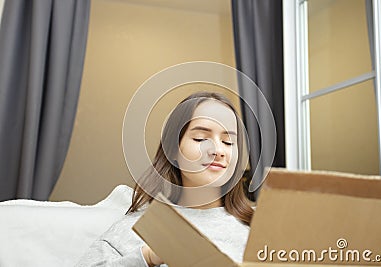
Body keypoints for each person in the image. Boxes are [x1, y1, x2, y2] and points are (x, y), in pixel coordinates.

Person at [76, 91, 254, 267]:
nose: (218, 150)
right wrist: (148, 257)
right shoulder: (136, 229)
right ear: (173, 150)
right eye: (201, 138)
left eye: (229, 142)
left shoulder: (259, 228)